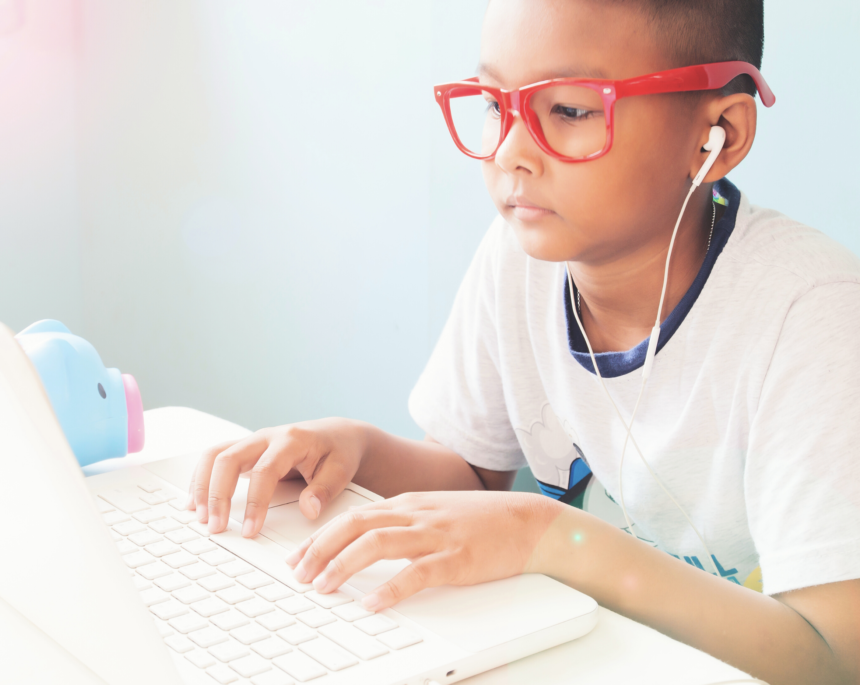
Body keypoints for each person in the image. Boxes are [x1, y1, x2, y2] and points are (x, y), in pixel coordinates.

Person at [185, 1, 860, 682]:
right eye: (494, 103)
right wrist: (355, 448)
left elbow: (833, 658)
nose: (510, 151)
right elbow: (475, 475)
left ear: (718, 132)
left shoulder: (812, 315)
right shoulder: (520, 258)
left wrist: (552, 536)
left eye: (568, 110)